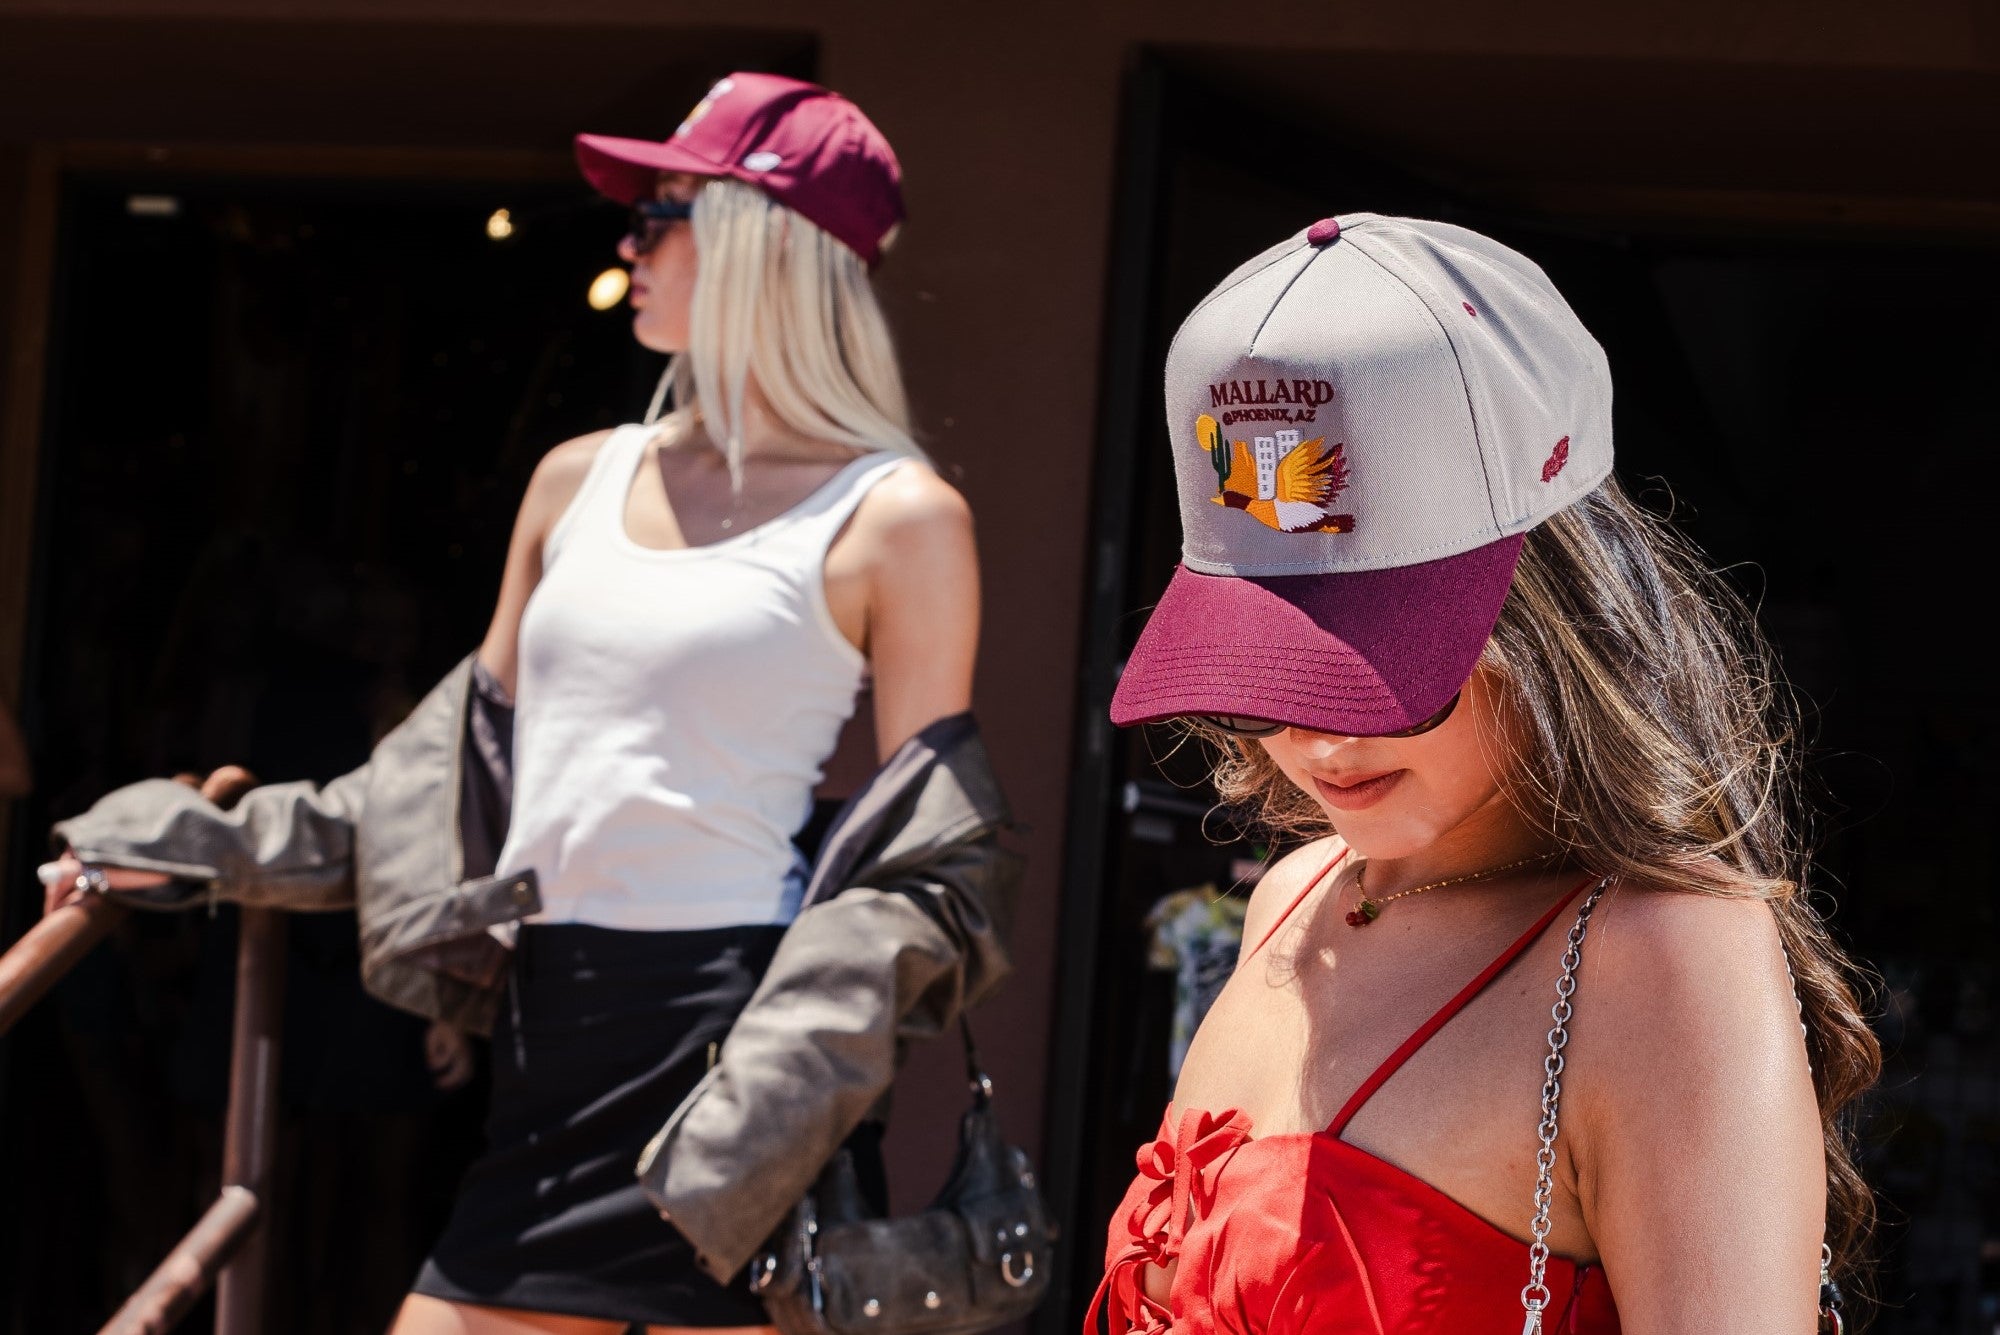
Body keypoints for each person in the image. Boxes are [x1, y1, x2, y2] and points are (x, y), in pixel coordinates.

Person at [52, 72, 982, 1335]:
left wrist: (792, 1080)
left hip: (737, 1051)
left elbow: (934, 859)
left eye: (659, 215)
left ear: (763, 245)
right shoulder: (573, 481)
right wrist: (187, 848)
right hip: (555, 1025)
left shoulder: (898, 515)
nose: (628, 247)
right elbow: (440, 780)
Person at [1091, 214, 1877, 1333]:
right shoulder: (1292, 897)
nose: (1319, 743)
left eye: (1387, 674)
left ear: (1555, 627)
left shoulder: (1658, 960)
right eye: (1265, 676)